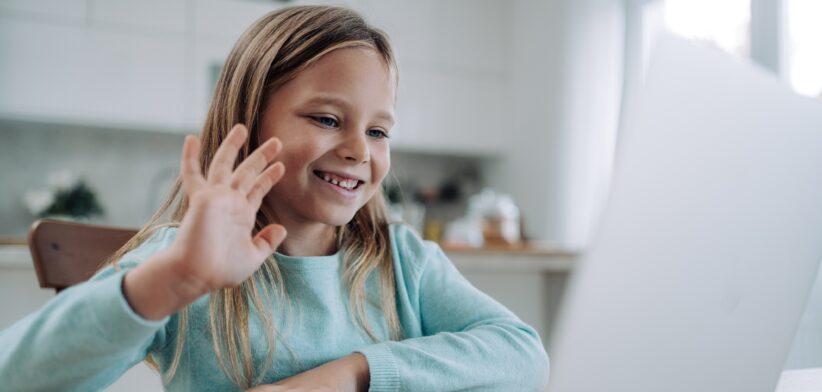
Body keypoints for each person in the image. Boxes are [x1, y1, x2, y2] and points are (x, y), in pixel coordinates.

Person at [0, 5, 549, 391]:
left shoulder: (403, 262)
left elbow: (524, 357)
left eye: (379, 131)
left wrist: (346, 377)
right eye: (329, 119)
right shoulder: (187, 260)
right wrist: (172, 281)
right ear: (249, 121)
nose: (360, 149)